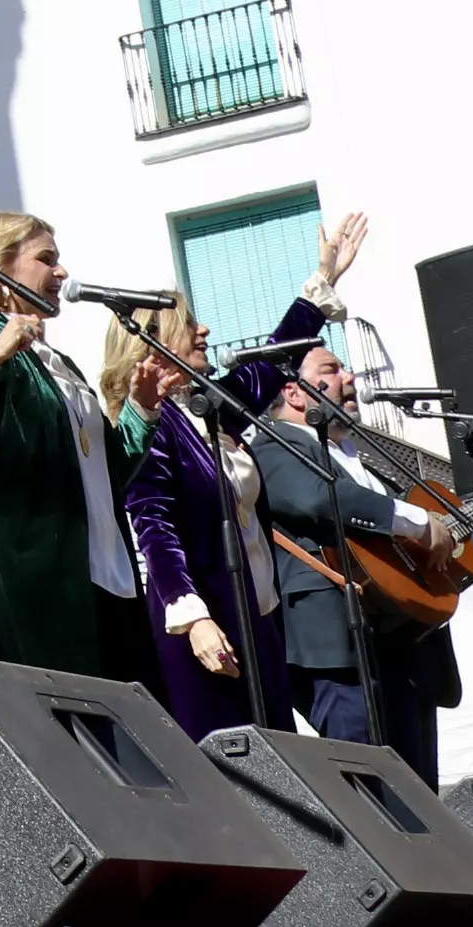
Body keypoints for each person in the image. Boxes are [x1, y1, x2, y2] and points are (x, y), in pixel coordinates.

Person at [105, 210, 366, 738]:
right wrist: (192, 617)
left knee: (277, 756)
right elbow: (153, 524)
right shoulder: (152, 425)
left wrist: (322, 283)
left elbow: (271, 360)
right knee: (234, 764)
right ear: (153, 342)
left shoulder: (210, 408)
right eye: (188, 323)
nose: (203, 328)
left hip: (256, 619)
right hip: (206, 628)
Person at [254, 335, 473, 784]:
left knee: (417, 795)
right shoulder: (273, 446)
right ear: (294, 392)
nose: (349, 378)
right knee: (368, 794)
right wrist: (417, 520)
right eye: (331, 370)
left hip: (402, 645)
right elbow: (319, 500)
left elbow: (417, 568)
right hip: (340, 649)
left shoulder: (367, 468)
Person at [0, 213, 151, 688]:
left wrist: (141, 411)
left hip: (109, 573)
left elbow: (106, 470)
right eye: (46, 259)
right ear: (0, 265)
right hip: (44, 582)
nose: (61, 273)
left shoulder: (59, 362)